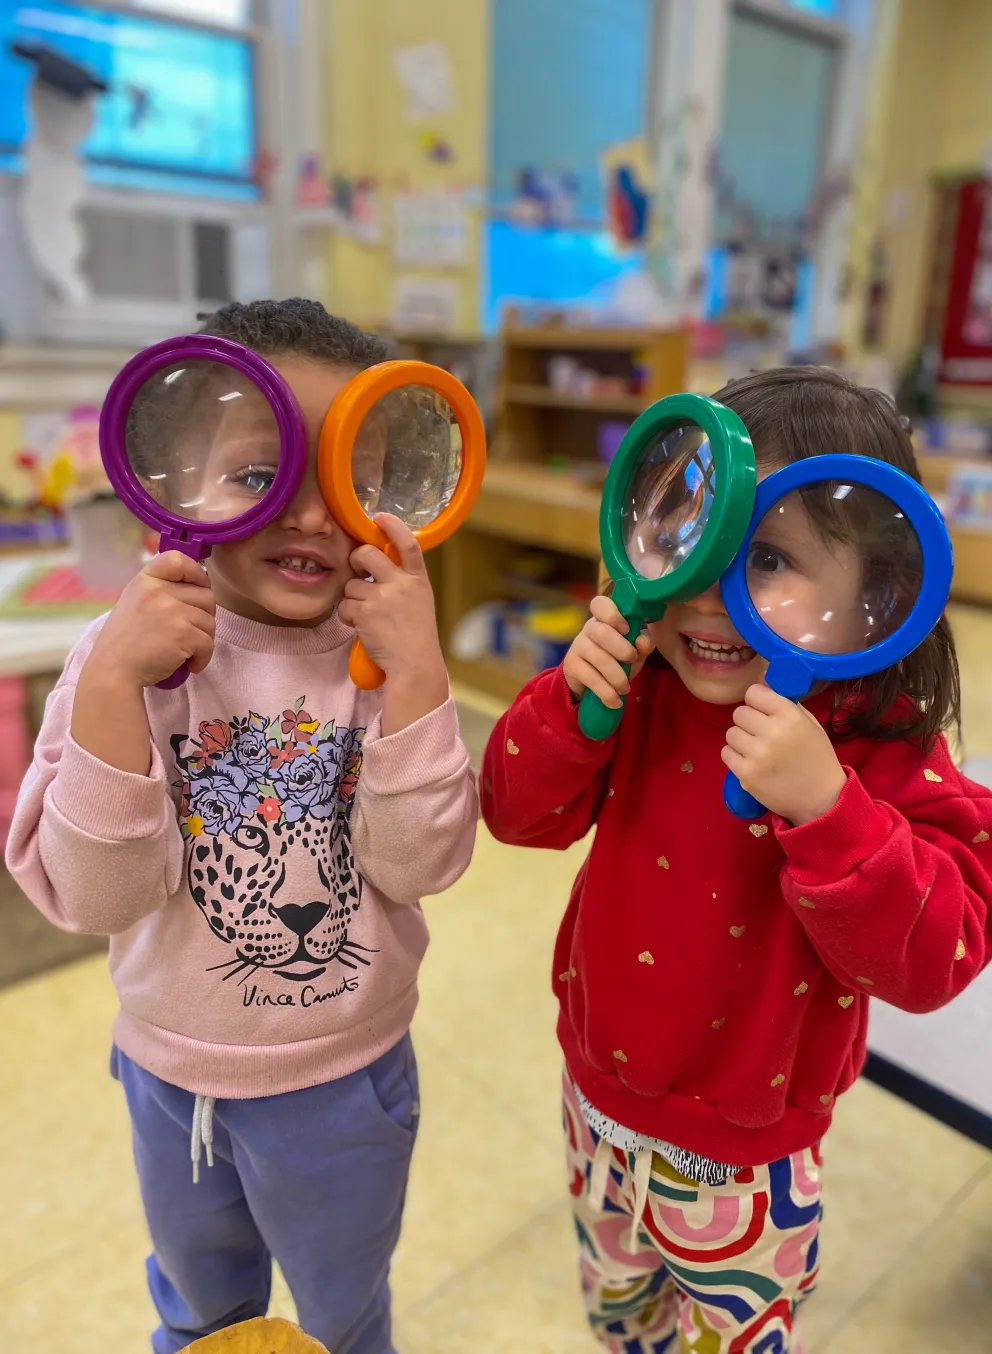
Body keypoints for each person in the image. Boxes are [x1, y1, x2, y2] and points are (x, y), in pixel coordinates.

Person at [480, 366, 992, 1354]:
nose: (711, 595)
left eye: (763, 556)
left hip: (744, 1159)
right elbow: (514, 816)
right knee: (617, 1315)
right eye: (692, 540)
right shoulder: (641, 690)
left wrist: (827, 808)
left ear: (879, 590)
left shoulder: (882, 750)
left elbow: (937, 957)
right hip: (594, 1094)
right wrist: (566, 704)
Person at [7, 299, 478, 1354]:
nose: (313, 513)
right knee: (197, 1312)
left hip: (342, 1081)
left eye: (348, 479)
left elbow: (424, 861)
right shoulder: (114, 653)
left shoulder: (380, 659)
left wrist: (418, 677)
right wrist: (114, 687)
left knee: (344, 1318)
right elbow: (94, 895)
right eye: (261, 473)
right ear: (168, 486)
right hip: (167, 1078)